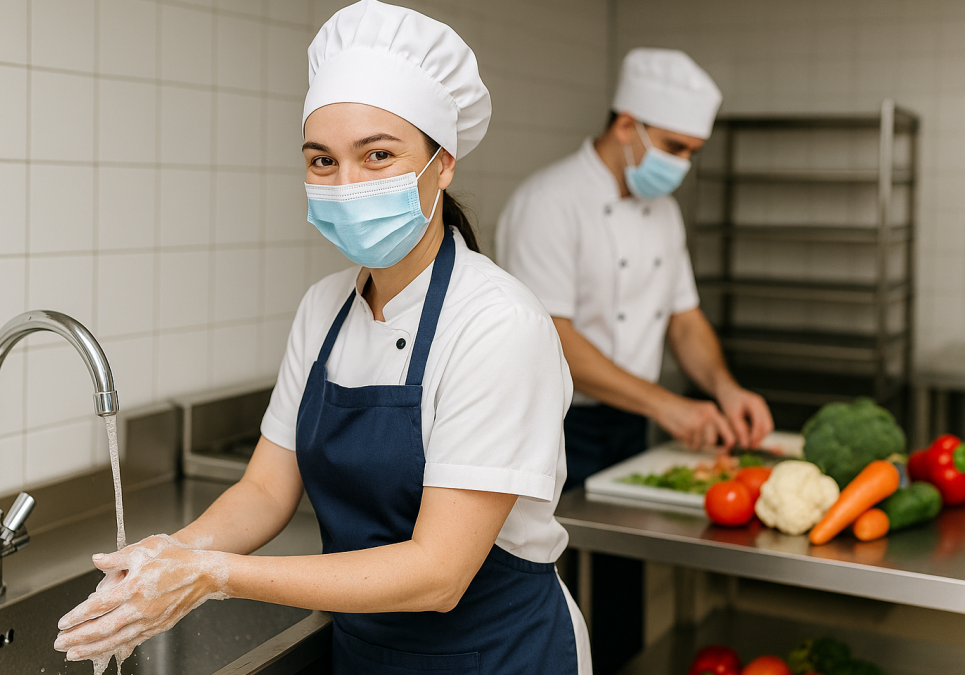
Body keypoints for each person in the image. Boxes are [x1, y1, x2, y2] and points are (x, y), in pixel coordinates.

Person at [53, 2, 590, 673]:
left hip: (497, 655)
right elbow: (266, 490)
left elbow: (438, 572)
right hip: (368, 654)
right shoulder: (324, 307)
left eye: (378, 155)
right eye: (322, 160)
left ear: (442, 163)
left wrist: (212, 575)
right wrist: (166, 561)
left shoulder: (495, 322)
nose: (347, 185)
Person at [495, 48, 774, 673]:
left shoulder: (663, 211)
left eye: (691, 153)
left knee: (620, 580)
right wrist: (669, 405)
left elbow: (685, 316)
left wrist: (725, 388)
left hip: (628, 423)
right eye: (675, 146)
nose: (682, 164)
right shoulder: (549, 202)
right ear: (627, 126)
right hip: (553, 429)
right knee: (551, 588)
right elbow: (553, 338)